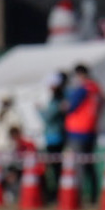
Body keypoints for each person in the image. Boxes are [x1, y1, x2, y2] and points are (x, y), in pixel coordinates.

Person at [64, 63, 103, 204]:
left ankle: (77, 197)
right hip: (92, 130)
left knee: (78, 166)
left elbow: (70, 106)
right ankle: (94, 196)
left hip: (78, 130)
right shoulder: (97, 89)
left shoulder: (82, 89)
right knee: (89, 165)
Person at [41, 71, 69, 201]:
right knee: (55, 167)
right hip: (54, 136)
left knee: (56, 167)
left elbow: (48, 117)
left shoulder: (58, 99)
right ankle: (56, 193)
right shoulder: (60, 98)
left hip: (55, 137)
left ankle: (58, 194)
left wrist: (39, 110)